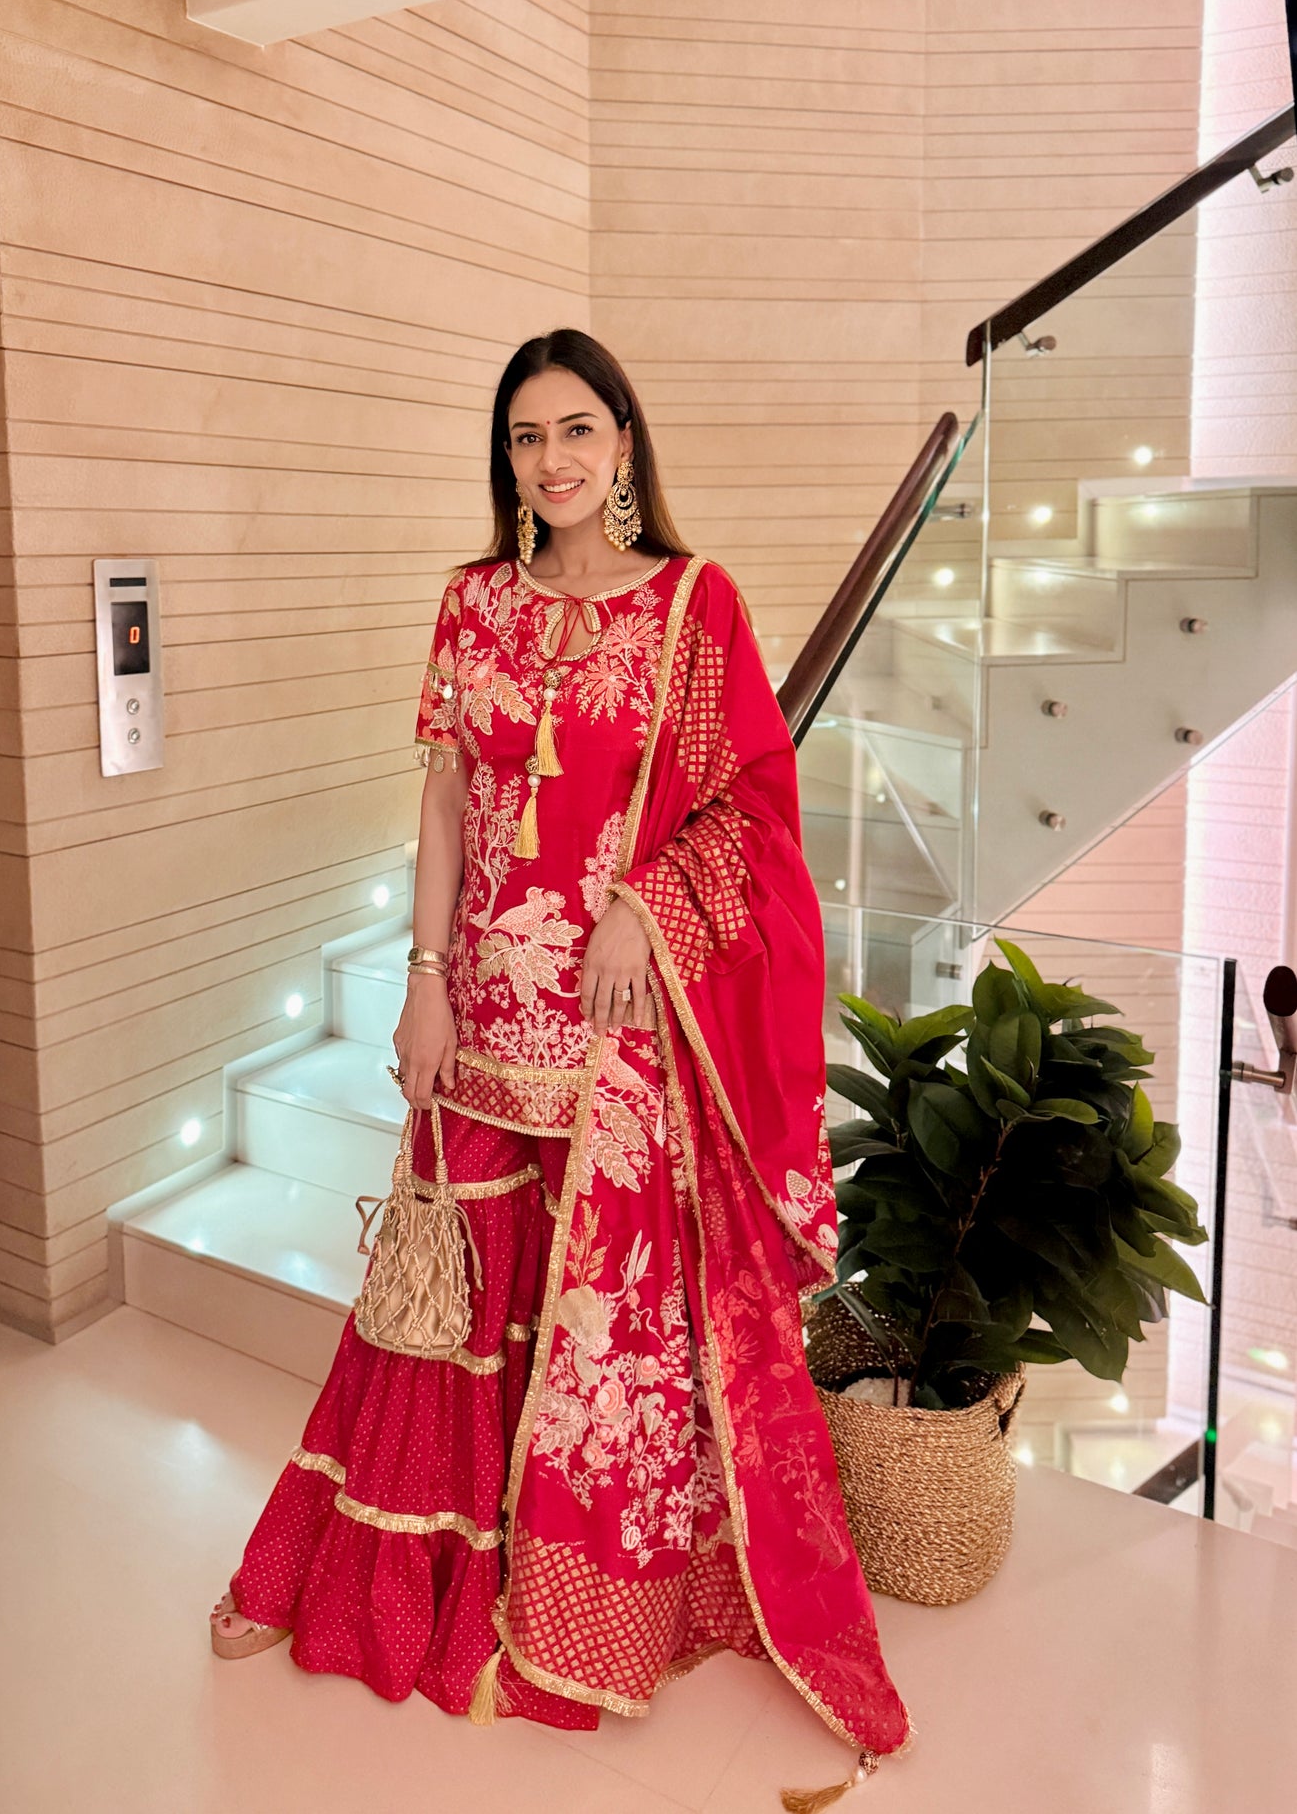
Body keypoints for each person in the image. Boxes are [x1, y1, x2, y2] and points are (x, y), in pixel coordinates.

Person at [207, 329, 911, 1799]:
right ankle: (371, 1579)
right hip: (476, 1014)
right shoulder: (472, 605)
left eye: (577, 429)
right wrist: (419, 986)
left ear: (626, 443)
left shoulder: (692, 609)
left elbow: (752, 814)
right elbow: (449, 810)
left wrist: (650, 918)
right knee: (439, 1306)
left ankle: (596, 1610)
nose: (554, 461)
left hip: (616, 1028)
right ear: (507, 461)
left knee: (604, 1342)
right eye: (526, 438)